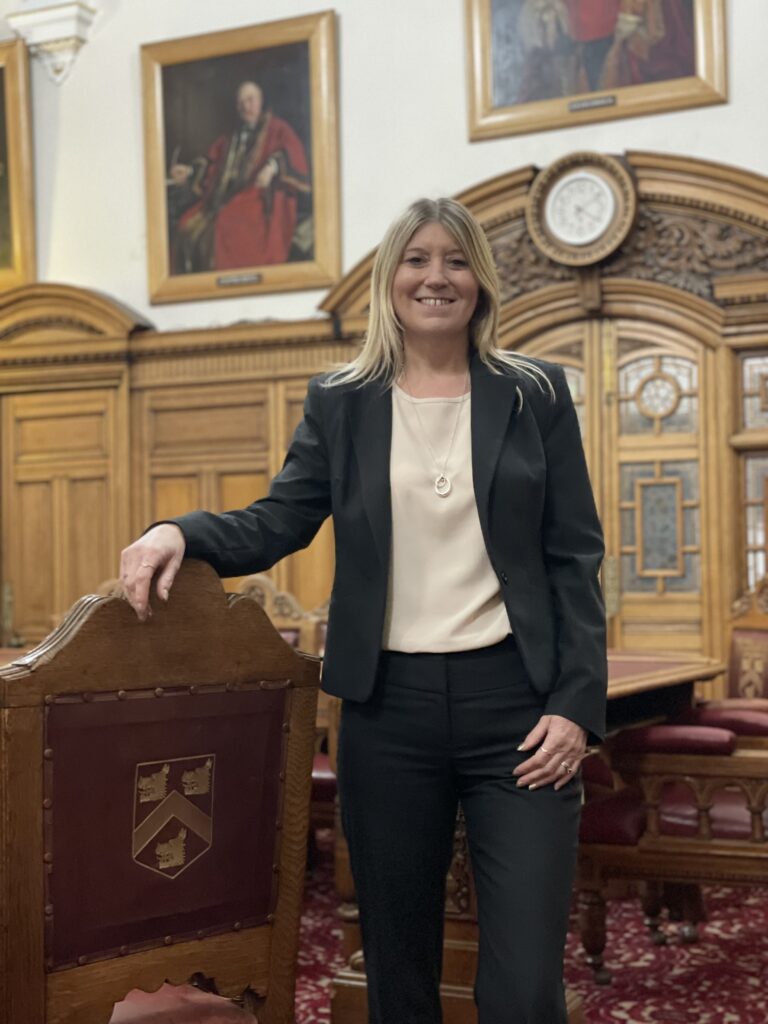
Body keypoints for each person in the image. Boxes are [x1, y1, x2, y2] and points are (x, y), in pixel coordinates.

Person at [121, 197, 607, 1024]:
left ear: (479, 283)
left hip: (518, 713)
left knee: (526, 985)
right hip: (390, 713)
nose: (436, 277)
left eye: (455, 261)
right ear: (389, 282)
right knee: (396, 968)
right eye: (416, 260)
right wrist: (178, 529)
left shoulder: (536, 396)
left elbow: (575, 557)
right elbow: (277, 521)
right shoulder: (341, 401)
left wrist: (575, 709)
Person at [169, 80, 311, 273]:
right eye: (241, 102)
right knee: (186, 225)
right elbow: (213, 163)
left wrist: (272, 167)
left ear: (261, 101)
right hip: (223, 198)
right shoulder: (232, 136)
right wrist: (190, 171)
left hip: (259, 197)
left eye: (250, 100)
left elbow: (294, 154)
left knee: (225, 223)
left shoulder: (277, 129)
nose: (246, 106)